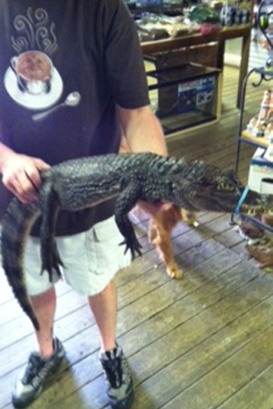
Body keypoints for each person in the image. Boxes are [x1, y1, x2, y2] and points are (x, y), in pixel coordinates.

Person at [0, 1, 168, 408]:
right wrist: (6, 159)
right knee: (35, 283)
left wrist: (159, 176)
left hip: (94, 199)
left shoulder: (104, 9)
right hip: (17, 203)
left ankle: (109, 350)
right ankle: (46, 351)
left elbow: (137, 113)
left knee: (98, 278)